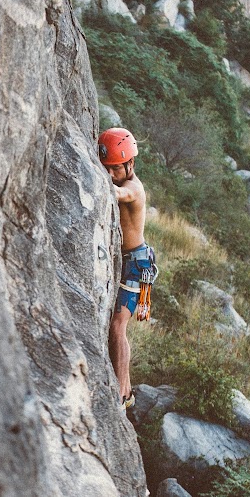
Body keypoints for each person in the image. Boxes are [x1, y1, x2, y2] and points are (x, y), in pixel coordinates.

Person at [98, 127, 157, 409]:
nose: (110, 174)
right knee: (118, 326)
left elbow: (118, 193)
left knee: (118, 326)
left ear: (130, 164)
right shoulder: (122, 177)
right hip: (130, 259)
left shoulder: (133, 188)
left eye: (115, 168)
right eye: (106, 168)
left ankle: (122, 395)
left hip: (136, 263)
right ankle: (127, 386)